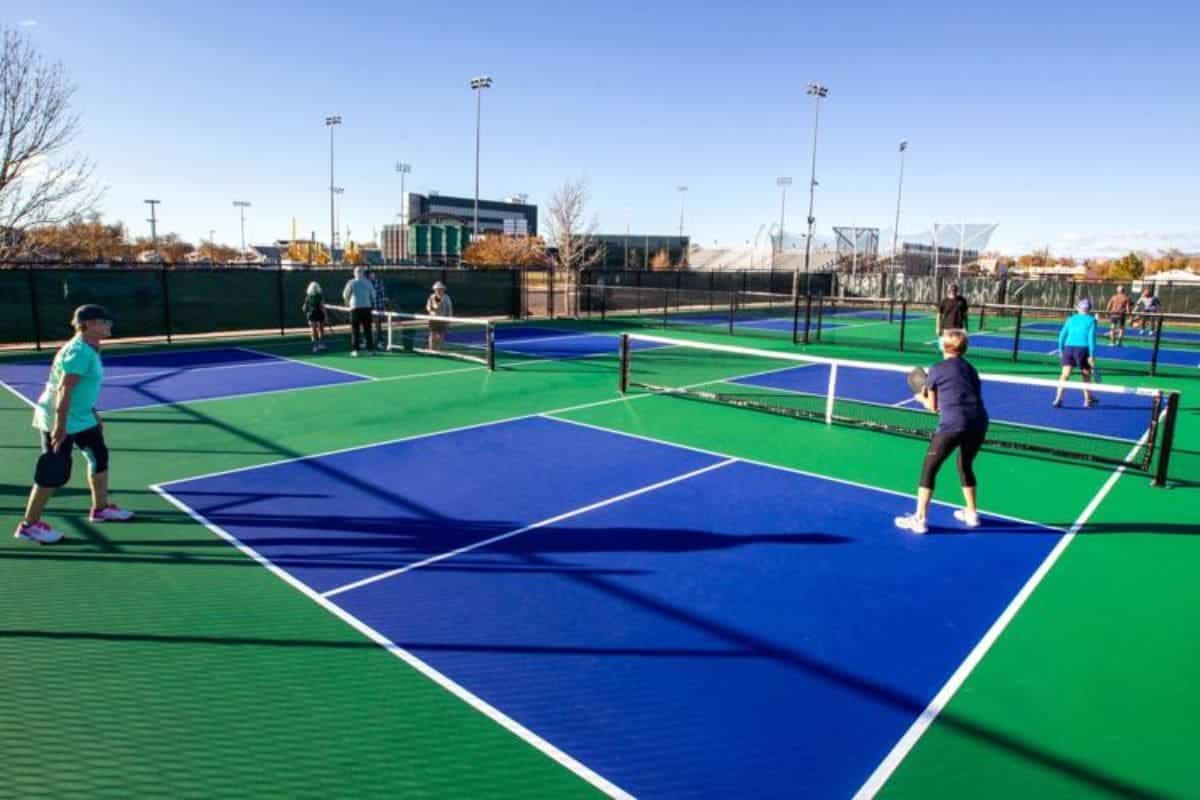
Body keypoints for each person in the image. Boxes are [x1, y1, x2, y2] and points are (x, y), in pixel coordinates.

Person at [15, 305, 135, 544]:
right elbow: (65, 388)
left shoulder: (91, 347)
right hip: (60, 416)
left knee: (99, 456)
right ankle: (29, 525)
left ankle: (100, 509)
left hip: (80, 415)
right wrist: (60, 427)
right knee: (53, 470)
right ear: (89, 324)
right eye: (104, 322)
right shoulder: (79, 351)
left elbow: (81, 388)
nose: (109, 325)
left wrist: (92, 412)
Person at [894, 329, 989, 535]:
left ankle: (919, 519)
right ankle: (972, 514)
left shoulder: (937, 368)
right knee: (965, 465)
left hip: (953, 424)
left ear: (944, 346)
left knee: (930, 468)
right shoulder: (971, 369)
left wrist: (920, 398)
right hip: (979, 422)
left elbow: (932, 406)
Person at [1053, 298, 1098, 408]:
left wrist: (1060, 349)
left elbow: (1062, 335)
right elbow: (1091, 339)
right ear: (1089, 309)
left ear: (1078, 308)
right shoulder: (1092, 321)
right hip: (1083, 350)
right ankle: (1087, 400)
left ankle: (1058, 398)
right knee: (1086, 376)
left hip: (1069, 349)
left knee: (1065, 375)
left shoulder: (1070, 319)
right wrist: (1092, 355)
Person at [342, 266, 376, 357]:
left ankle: (356, 350)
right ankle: (370, 350)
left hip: (355, 309)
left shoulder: (351, 282)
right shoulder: (368, 282)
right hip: (366, 309)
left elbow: (345, 295)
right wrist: (372, 303)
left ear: (354, 273)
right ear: (363, 273)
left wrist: (347, 303)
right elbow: (373, 295)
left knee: (355, 330)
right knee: (368, 330)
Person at [425, 280, 453, 352]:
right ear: (434, 290)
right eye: (437, 289)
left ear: (443, 289)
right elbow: (428, 306)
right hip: (433, 320)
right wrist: (431, 311)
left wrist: (449, 320)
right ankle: (431, 350)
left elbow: (449, 309)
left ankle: (439, 351)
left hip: (442, 320)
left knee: (441, 336)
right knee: (432, 335)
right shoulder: (431, 297)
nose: (438, 290)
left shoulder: (447, 298)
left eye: (440, 289)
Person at [366, 267, 390, 346]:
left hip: (378, 307)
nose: (372, 275)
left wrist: (384, 304)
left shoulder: (379, 282)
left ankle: (380, 341)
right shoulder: (366, 283)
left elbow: (382, 294)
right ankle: (367, 341)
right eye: (370, 274)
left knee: (378, 325)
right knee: (366, 324)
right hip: (368, 307)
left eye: (373, 274)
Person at [302, 281, 327, 352]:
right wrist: (325, 315)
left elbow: (304, 308)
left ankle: (315, 346)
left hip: (312, 314)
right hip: (318, 313)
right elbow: (322, 306)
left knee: (314, 330)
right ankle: (320, 345)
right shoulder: (319, 296)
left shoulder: (308, 297)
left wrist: (307, 312)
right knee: (320, 330)